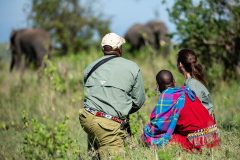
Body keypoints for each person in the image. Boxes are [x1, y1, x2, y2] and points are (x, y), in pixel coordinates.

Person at [79, 33, 146, 159]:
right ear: (119, 48)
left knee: (94, 155)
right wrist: (122, 109)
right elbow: (139, 101)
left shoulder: (90, 67)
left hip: (87, 118)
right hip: (108, 124)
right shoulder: (132, 67)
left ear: (103, 49)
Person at [142, 70, 220, 151]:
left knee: (149, 138)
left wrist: (146, 131)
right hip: (214, 136)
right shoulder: (186, 91)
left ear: (158, 86)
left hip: (199, 142)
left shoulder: (167, 96)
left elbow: (157, 128)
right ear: (174, 82)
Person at [177, 49, 214, 116]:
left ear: (180, 64)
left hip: (204, 123)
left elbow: (195, 110)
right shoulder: (194, 81)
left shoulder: (191, 84)